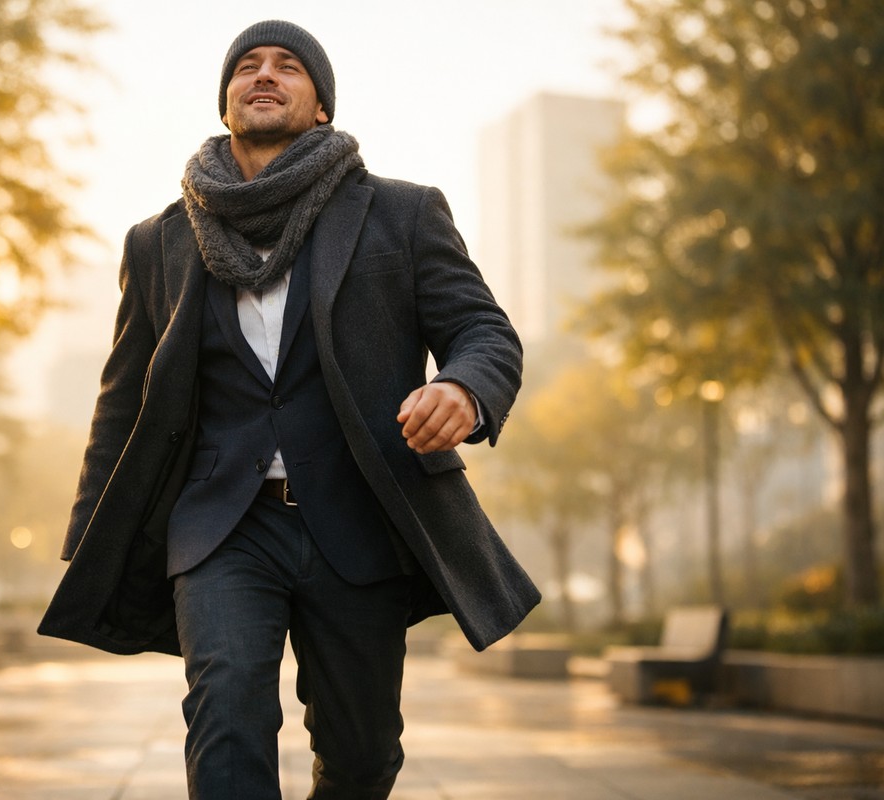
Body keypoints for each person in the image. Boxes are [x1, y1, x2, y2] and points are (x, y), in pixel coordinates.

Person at [40, 20, 540, 799]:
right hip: (221, 528)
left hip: (360, 521)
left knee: (361, 753)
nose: (264, 75)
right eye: (247, 66)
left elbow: (483, 330)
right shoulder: (158, 243)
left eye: (287, 66)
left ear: (320, 109)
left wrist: (462, 389)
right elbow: (124, 401)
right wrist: (92, 532)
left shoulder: (401, 214)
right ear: (226, 100)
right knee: (227, 717)